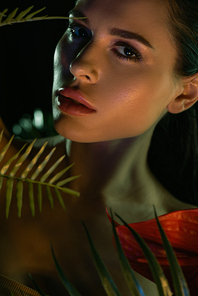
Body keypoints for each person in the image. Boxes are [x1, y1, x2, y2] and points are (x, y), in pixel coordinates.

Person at [0, 0, 198, 295]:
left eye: (127, 51)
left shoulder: (189, 247)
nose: (79, 65)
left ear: (186, 92)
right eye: (79, 31)